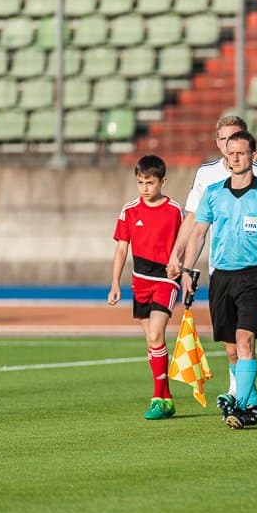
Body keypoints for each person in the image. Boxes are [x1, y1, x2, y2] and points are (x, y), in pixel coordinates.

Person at [167, 115, 257, 409]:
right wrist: (189, 269)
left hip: (253, 275)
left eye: (241, 153)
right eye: (231, 154)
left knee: (245, 340)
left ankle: (240, 406)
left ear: (252, 156)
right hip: (221, 275)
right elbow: (199, 232)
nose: (235, 159)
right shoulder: (213, 193)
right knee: (231, 348)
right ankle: (252, 400)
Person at [108, 155, 184, 420]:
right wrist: (115, 282)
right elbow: (121, 248)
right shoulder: (129, 210)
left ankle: (156, 398)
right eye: (140, 182)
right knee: (152, 343)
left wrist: (181, 270)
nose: (144, 187)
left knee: (155, 335)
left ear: (162, 181)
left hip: (165, 279)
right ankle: (167, 398)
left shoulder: (175, 210)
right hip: (140, 281)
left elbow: (184, 243)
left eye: (149, 183)